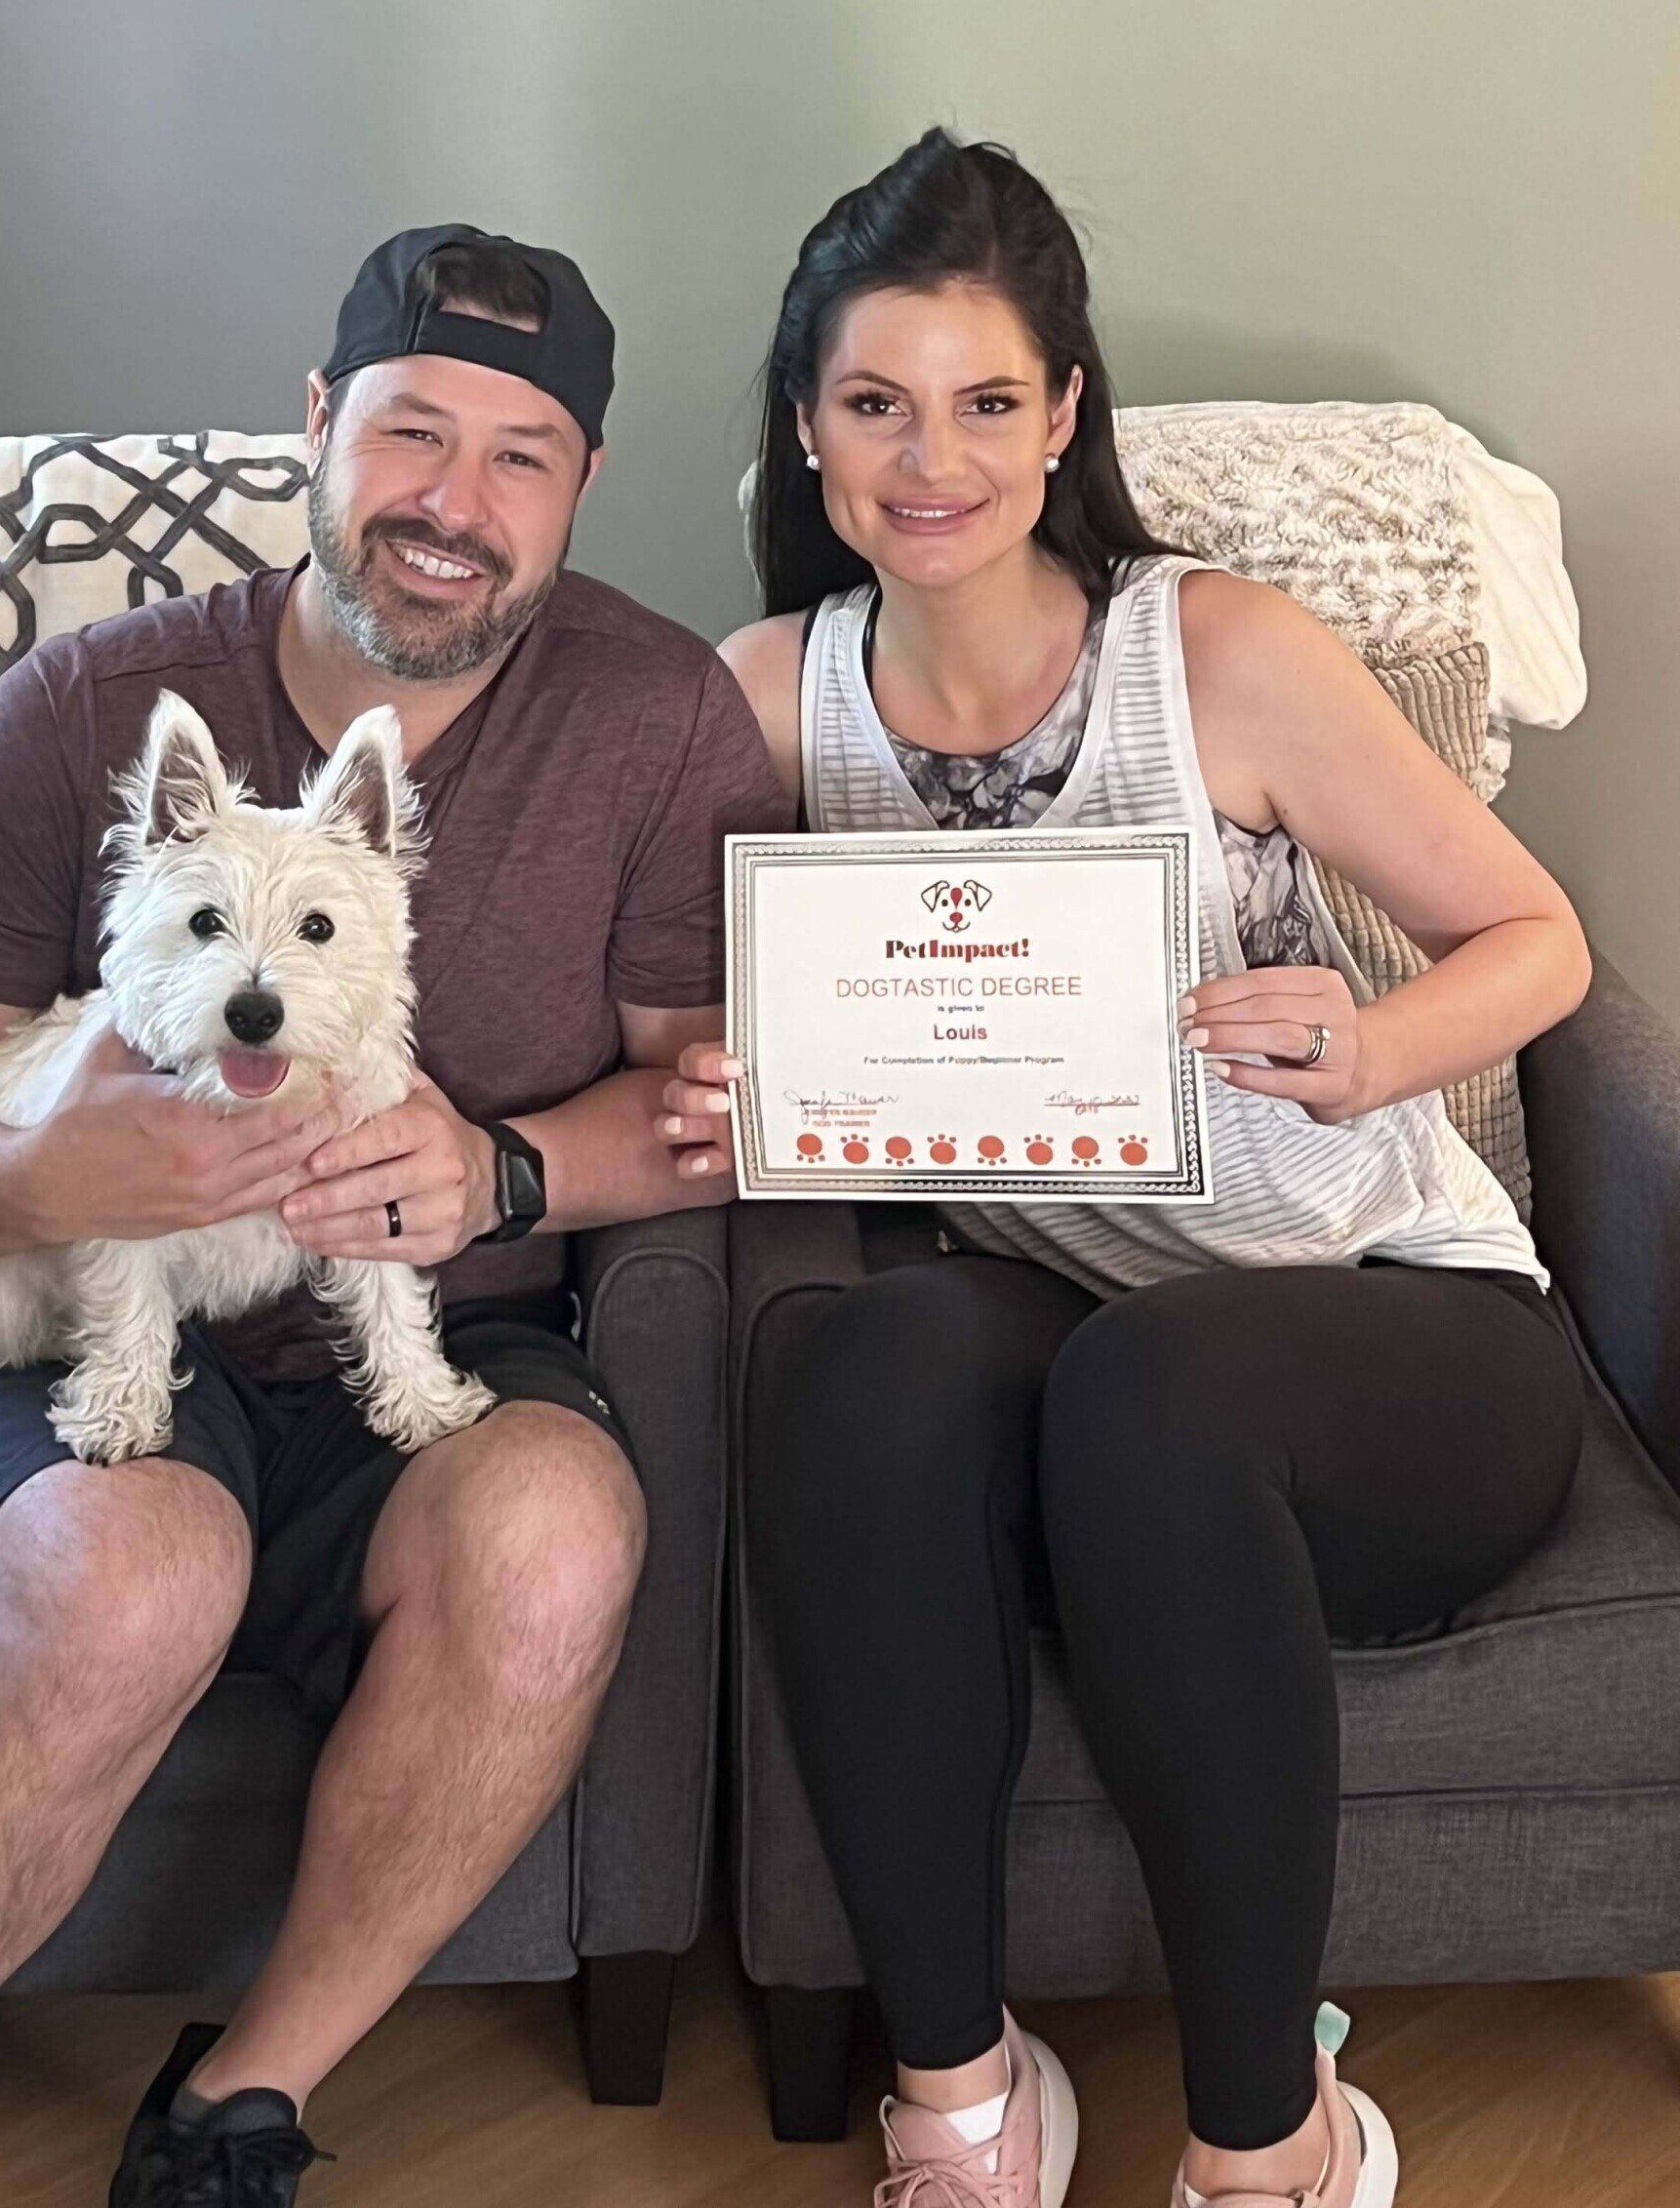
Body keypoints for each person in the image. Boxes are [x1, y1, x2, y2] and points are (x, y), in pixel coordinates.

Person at [0, 224, 789, 2208]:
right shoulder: (92, 707)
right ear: (320, 425)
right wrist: (35, 1170)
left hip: (434, 1318)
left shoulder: (657, 715)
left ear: (585, 482)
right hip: (77, 1298)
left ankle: (242, 2096)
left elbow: (697, 1105)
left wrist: (504, 1170)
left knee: (549, 1540)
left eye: (521, 453)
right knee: (127, 1572)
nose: (455, 501)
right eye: (414, 432)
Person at [659, 131, 1588, 2208]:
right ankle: (963, 2102)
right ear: (806, 432)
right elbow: (671, 1036)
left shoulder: (1220, 654)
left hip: (1395, 1324)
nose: (932, 460)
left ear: (1066, 413)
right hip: (1066, 1318)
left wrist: (1365, 1042)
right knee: (853, 1364)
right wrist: (716, 1088)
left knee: (1153, 1393)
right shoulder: (763, 703)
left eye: (988, 401)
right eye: (876, 403)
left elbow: (1542, 944)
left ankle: (1274, 2136)